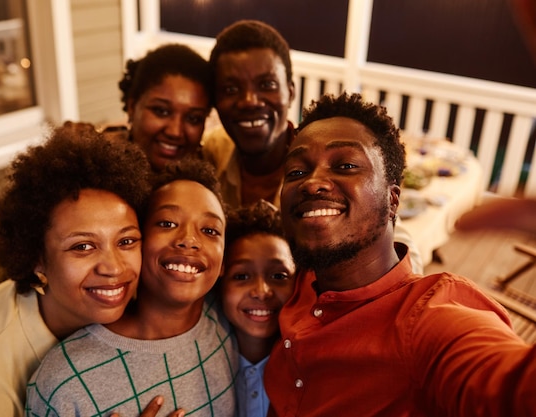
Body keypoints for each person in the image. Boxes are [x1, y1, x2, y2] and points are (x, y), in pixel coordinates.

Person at [263, 92, 536, 416]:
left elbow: (511, 392)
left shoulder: (428, 321)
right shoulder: (301, 281)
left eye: (346, 165)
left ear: (393, 200)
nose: (312, 183)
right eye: (296, 171)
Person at [0, 124, 170, 417]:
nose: (114, 267)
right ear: (36, 258)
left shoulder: (129, 302)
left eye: (126, 241)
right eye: (82, 247)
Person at [203, 19, 424, 273]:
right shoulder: (212, 151)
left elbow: (394, 242)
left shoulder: (321, 159)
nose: (249, 101)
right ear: (216, 102)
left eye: (267, 85)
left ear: (290, 92)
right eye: (231, 89)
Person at [26, 158, 238, 417]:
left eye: (210, 230)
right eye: (167, 223)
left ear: (225, 258)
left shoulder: (231, 319)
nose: (189, 240)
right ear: (138, 241)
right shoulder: (64, 379)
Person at [218, 200, 295, 417]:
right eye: (241, 276)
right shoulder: (204, 365)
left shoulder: (307, 368)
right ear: (219, 285)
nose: (261, 291)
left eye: (278, 276)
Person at [104, 43, 214, 172]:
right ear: (132, 107)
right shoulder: (97, 167)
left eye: (193, 118)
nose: (175, 132)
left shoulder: (211, 168)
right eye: (161, 111)